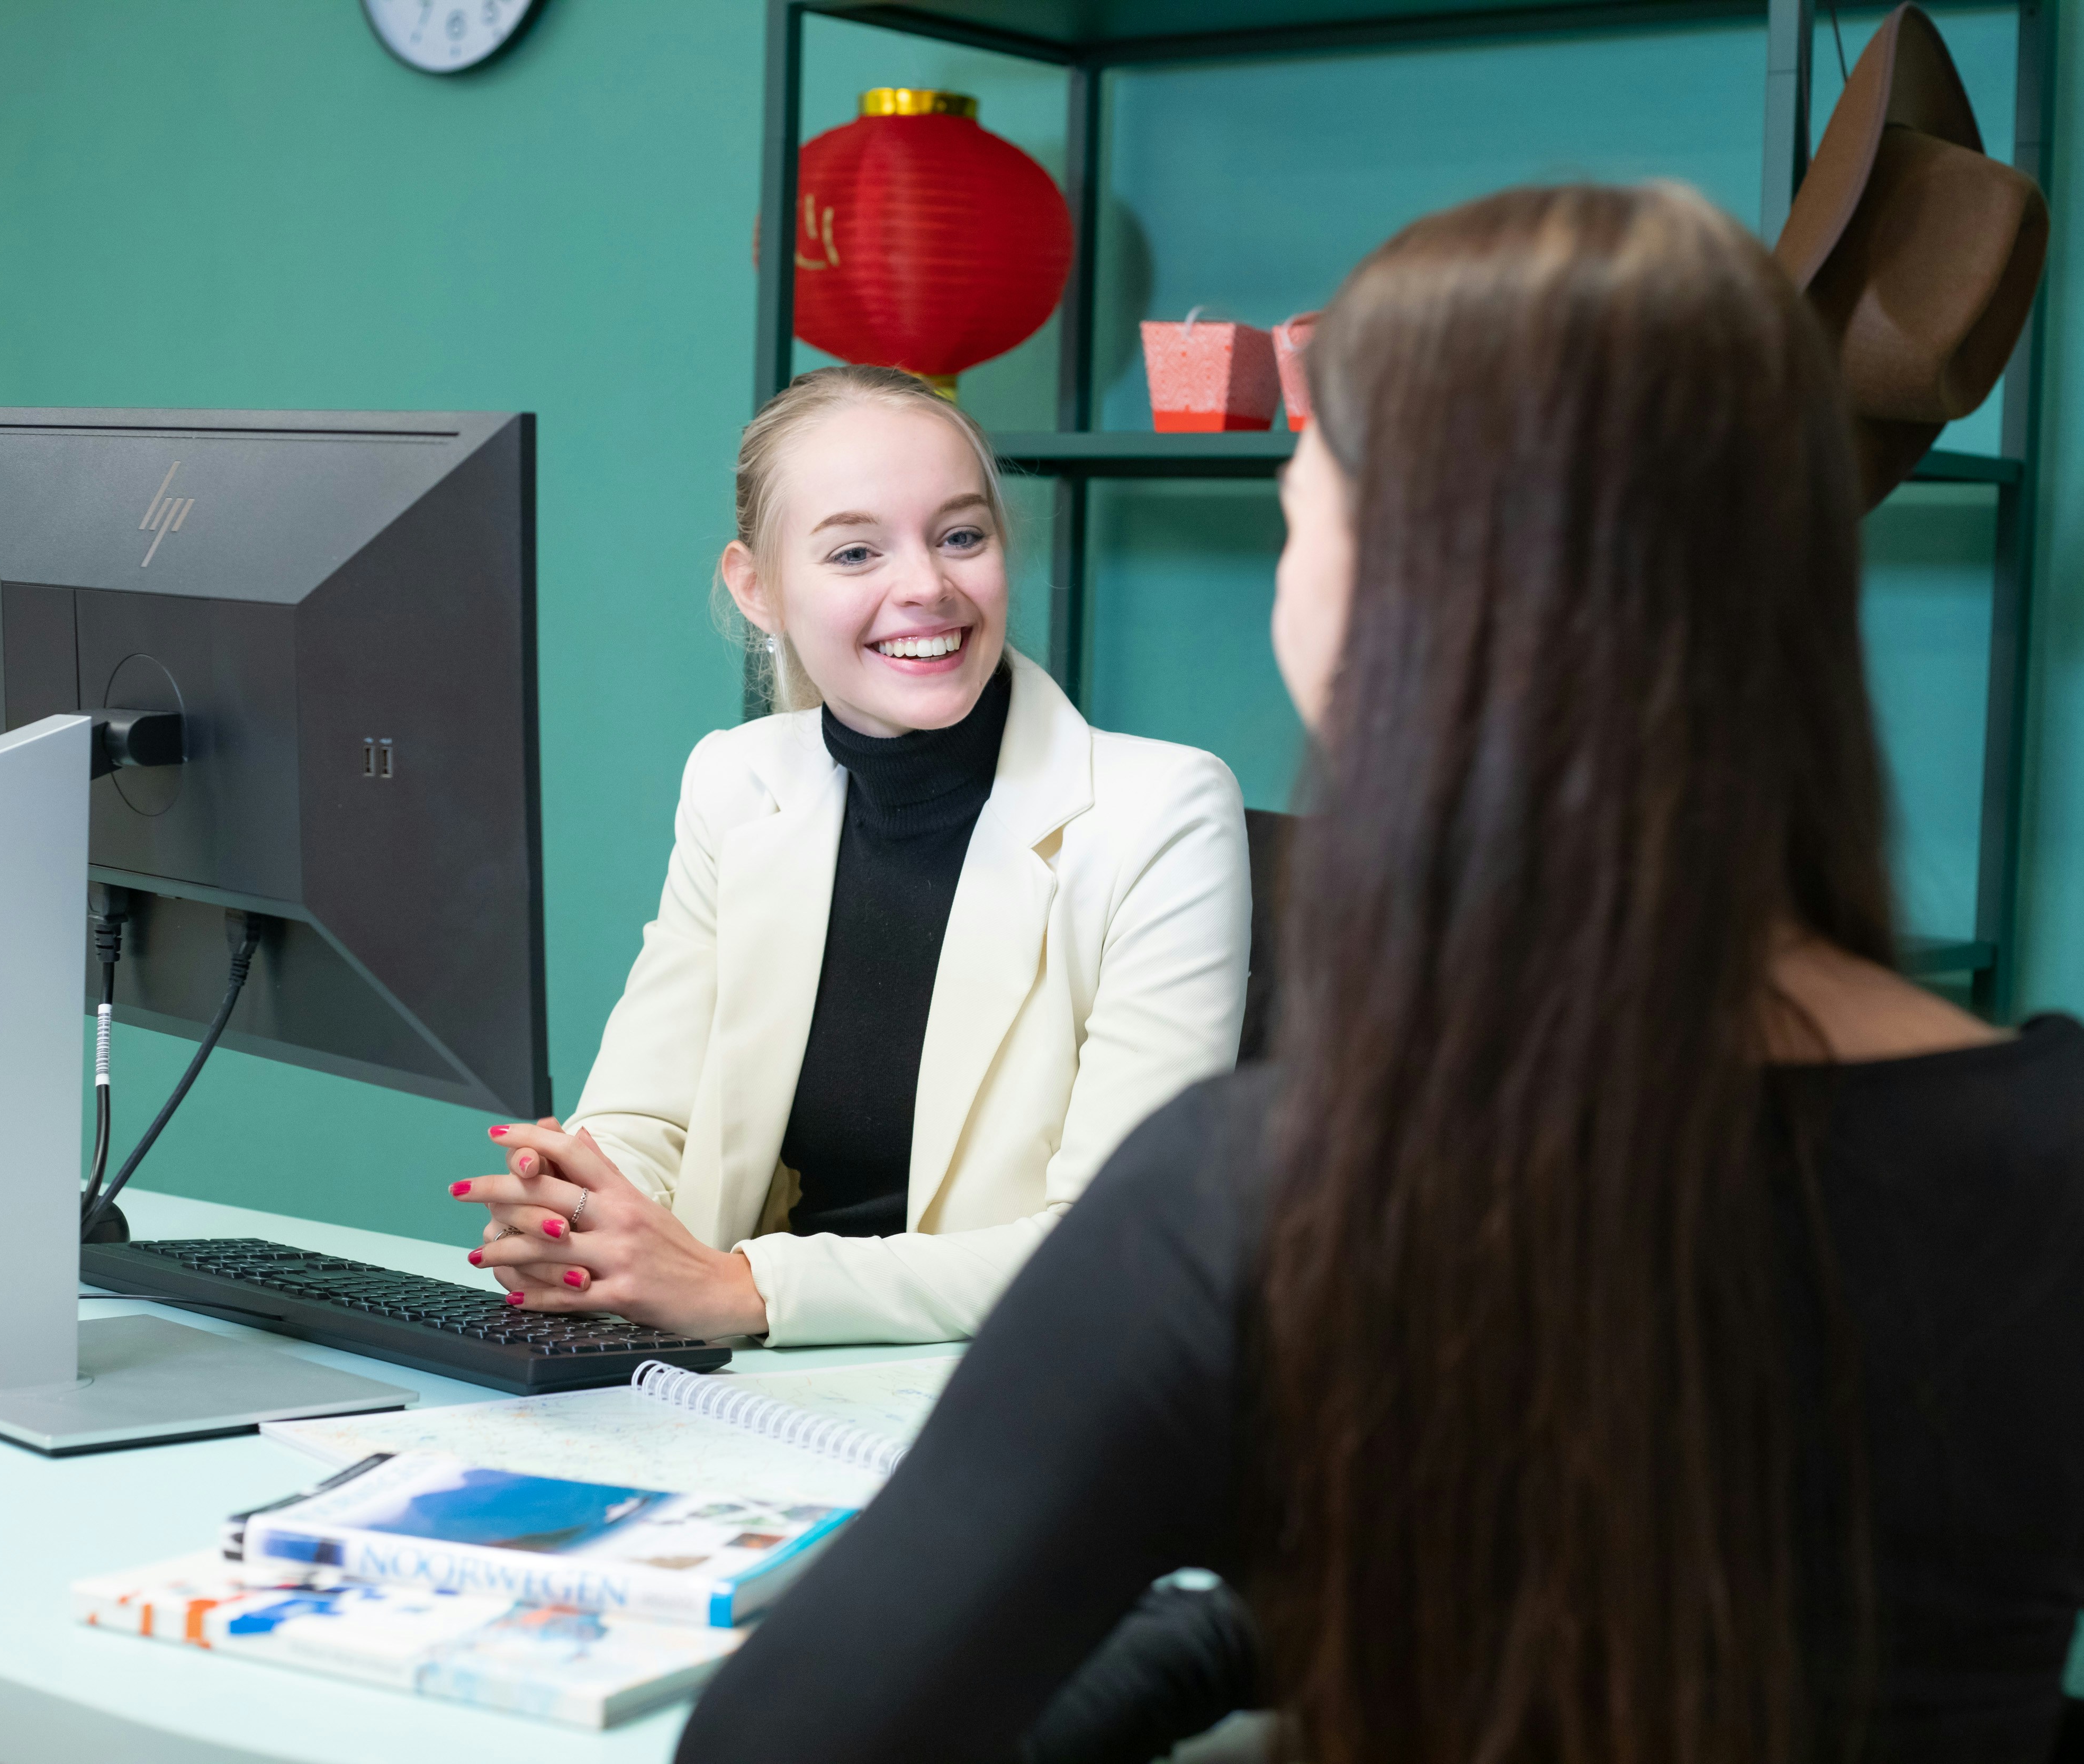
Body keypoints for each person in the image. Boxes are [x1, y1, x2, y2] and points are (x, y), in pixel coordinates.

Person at [674, 184, 2084, 1763]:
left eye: (1300, 511)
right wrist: (1250, 1618)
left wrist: (1213, 1618)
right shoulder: (2052, 1148)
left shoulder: (1255, 1198)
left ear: (1393, 613)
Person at [451, 364, 1250, 1345]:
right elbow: (643, 1119)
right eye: (856, 551)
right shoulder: (735, 782)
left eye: (963, 536)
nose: (927, 586)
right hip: (761, 1394)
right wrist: (568, 1206)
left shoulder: (1162, 812)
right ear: (757, 587)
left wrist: (747, 1289)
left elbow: (1121, 1246)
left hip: (1015, 1386)